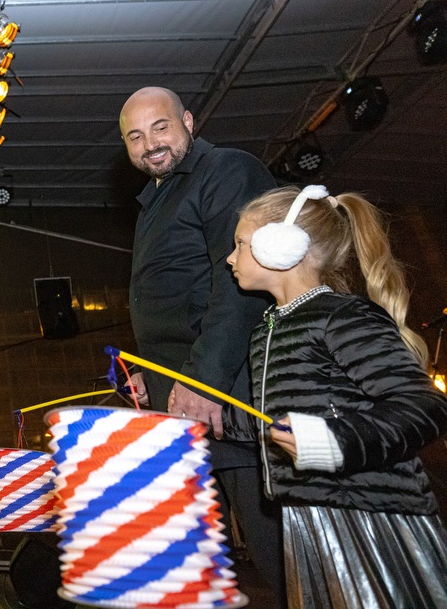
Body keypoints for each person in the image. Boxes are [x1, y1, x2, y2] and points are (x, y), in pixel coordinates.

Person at [228, 184, 447, 608]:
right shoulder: (268, 329)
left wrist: (335, 440)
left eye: (240, 244)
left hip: (370, 514)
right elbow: (270, 422)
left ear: (283, 246)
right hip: (306, 514)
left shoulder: (341, 316)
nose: (230, 258)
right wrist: (195, 418)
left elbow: (424, 406)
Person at [119, 86, 283, 594]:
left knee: (279, 561)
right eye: (135, 137)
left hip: (231, 403)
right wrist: (155, 373)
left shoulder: (228, 170)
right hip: (184, 407)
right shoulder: (156, 199)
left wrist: (204, 381)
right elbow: (179, 299)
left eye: (160, 127)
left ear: (188, 120)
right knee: (206, 573)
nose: (150, 145)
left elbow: (241, 286)